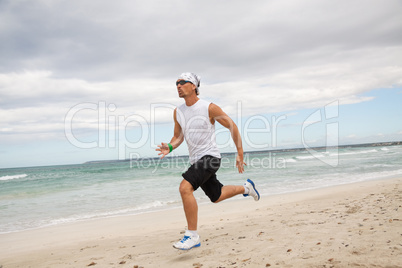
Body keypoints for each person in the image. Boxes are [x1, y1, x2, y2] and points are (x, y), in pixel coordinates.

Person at [156, 72, 260, 250]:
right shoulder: (178, 111)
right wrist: (171, 146)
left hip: (211, 157)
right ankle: (246, 188)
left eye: (182, 82)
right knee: (216, 196)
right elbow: (178, 136)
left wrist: (240, 152)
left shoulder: (208, 107)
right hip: (196, 160)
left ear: (194, 86)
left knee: (184, 187)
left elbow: (231, 125)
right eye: (176, 83)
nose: (178, 86)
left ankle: (192, 235)